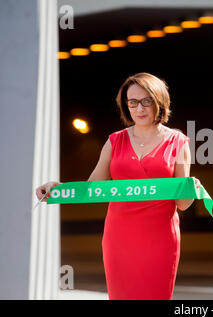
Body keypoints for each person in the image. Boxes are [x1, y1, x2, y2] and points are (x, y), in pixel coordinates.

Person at [36, 72, 200, 300]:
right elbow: (93, 189)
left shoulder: (178, 142)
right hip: (119, 237)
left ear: (159, 101)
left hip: (160, 238)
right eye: (132, 102)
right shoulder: (115, 141)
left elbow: (183, 204)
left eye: (146, 101)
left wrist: (190, 187)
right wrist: (58, 189)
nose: (139, 108)